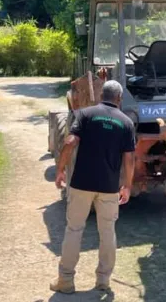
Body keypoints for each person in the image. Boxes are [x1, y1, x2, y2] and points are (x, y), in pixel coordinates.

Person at [50, 80, 136, 294]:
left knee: (74, 229)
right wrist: (126, 186)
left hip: (81, 184)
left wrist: (60, 169)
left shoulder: (85, 114)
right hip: (108, 187)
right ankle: (103, 281)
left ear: (101, 95)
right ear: (119, 98)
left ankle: (66, 281)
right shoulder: (126, 123)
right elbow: (130, 159)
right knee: (107, 232)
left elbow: (70, 142)